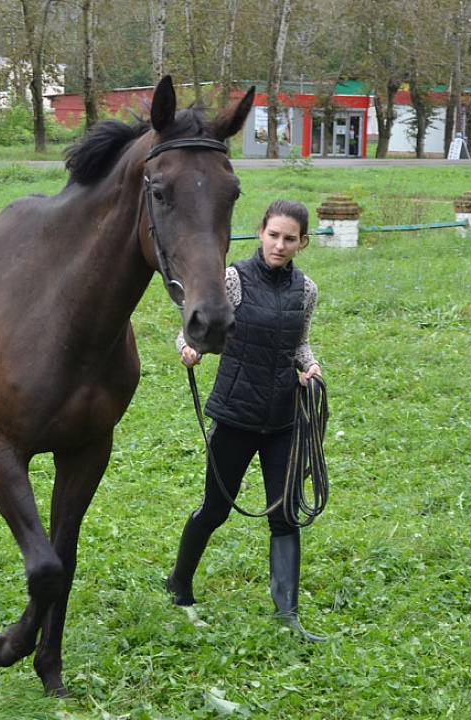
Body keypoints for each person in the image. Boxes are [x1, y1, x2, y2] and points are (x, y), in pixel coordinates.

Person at [167, 199, 326, 642]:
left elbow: (301, 344)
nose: (279, 244)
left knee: (285, 514)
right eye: (273, 235)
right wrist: (189, 345)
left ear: (302, 243)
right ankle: (179, 584)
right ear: (261, 232)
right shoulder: (234, 279)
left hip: (282, 419)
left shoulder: (307, 291)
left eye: (289, 238)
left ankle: (288, 614)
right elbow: (193, 323)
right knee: (215, 509)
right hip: (235, 416)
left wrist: (311, 368)